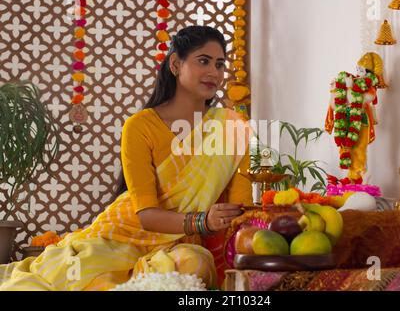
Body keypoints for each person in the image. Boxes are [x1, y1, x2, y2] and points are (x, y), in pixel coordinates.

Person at [0, 26, 253, 290]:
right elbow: (145, 215)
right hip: (121, 236)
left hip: (179, 244)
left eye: (220, 64)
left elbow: (241, 210)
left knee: (195, 263)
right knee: (86, 277)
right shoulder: (140, 126)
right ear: (176, 64)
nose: (214, 72)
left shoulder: (233, 129)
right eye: (204, 61)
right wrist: (202, 221)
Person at [325, 52, 386, 185]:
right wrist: (334, 88)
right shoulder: (353, 80)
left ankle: (358, 176)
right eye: (357, 68)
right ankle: (349, 176)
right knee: (344, 147)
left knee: (358, 150)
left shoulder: (370, 87)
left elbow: (357, 99)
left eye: (361, 69)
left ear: (368, 71)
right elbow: (335, 105)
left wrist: (348, 87)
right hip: (345, 120)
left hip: (360, 122)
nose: (358, 71)